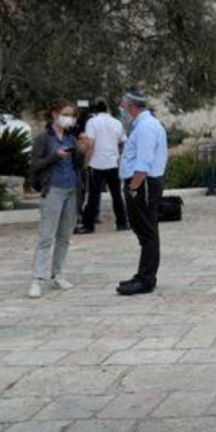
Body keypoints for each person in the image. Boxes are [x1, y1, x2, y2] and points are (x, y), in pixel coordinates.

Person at [27, 100, 83, 299]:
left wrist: (82, 150)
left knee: (64, 237)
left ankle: (58, 274)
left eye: (72, 115)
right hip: (53, 191)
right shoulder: (44, 139)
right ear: (54, 114)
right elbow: (34, 165)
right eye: (66, 114)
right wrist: (55, 157)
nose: (70, 118)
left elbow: (79, 164)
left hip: (71, 191)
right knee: (46, 236)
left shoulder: (71, 138)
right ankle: (37, 279)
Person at [117, 90, 168, 296]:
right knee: (145, 231)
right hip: (142, 182)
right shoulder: (144, 125)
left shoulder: (146, 127)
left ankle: (146, 279)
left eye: (123, 107)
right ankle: (144, 275)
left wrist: (133, 187)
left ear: (132, 108)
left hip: (141, 183)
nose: (121, 112)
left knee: (147, 232)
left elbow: (143, 162)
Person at [79, 98, 128, 233]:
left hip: (96, 164)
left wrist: (85, 163)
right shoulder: (117, 123)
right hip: (113, 163)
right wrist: (120, 157)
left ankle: (88, 225)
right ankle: (122, 222)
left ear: (94, 110)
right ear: (108, 109)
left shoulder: (92, 122)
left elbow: (90, 145)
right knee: (117, 194)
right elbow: (123, 142)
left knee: (94, 196)